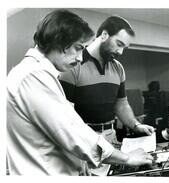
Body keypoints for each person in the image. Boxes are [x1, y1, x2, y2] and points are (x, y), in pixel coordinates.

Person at [6, 9, 153, 176]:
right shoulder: (32, 76)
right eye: (77, 48)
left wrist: (82, 164)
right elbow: (71, 131)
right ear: (58, 40)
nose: (79, 58)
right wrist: (126, 158)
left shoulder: (36, 73)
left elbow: (62, 131)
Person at [59, 16, 155, 147]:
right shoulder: (73, 65)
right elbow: (64, 116)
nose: (121, 52)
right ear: (104, 35)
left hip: (111, 137)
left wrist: (136, 125)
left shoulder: (118, 68)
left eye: (124, 48)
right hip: (83, 140)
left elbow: (121, 104)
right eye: (119, 44)